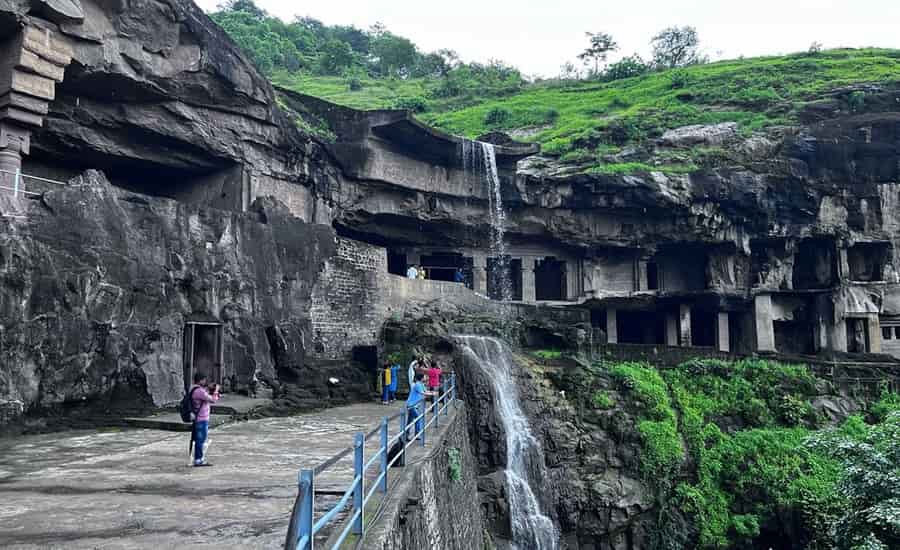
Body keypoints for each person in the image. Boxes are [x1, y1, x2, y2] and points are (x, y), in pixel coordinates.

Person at [189, 372, 219, 467]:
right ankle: (198, 460)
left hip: (199, 418)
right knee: (200, 440)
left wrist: (209, 389)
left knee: (199, 439)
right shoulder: (199, 391)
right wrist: (216, 390)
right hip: (201, 419)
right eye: (204, 380)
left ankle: (199, 458)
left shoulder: (193, 388)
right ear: (201, 380)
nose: (205, 381)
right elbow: (213, 399)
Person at [405, 373, 436, 440]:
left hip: (414, 405)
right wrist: (432, 394)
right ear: (422, 378)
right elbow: (423, 393)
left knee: (409, 421)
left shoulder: (421, 384)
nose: (425, 378)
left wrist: (431, 392)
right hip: (411, 405)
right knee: (418, 417)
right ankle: (417, 434)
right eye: (424, 377)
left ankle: (406, 435)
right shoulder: (417, 385)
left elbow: (425, 391)